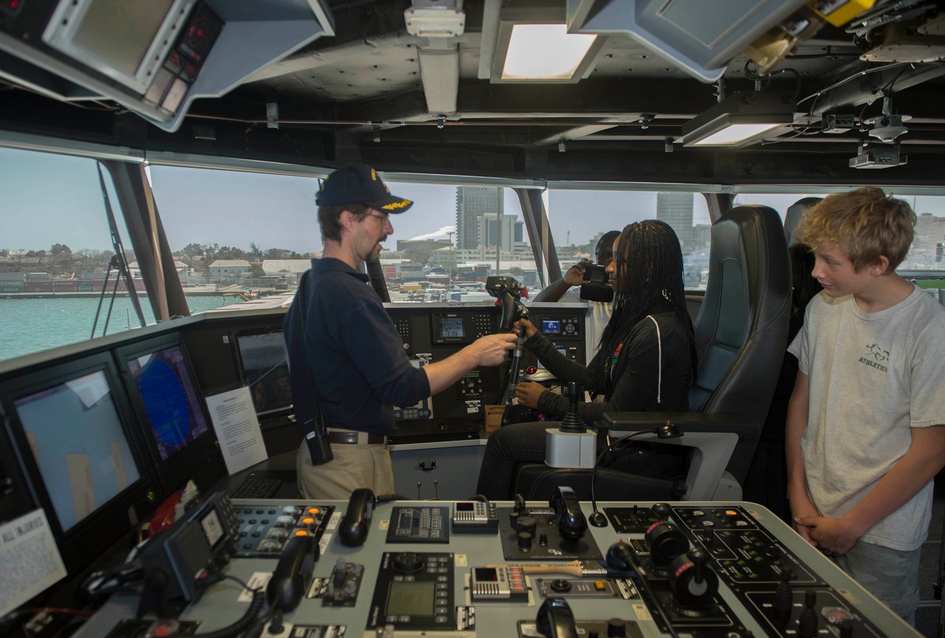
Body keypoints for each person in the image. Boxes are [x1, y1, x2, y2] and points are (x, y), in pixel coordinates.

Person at [284, 164, 517, 499]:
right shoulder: (349, 294)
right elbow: (404, 388)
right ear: (348, 219)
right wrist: (476, 353)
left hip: (331, 452)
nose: (389, 229)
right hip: (346, 462)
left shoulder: (313, 283)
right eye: (380, 218)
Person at [786, 187, 945, 625]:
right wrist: (798, 495)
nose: (817, 272)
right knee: (809, 632)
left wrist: (853, 524)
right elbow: (801, 406)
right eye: (816, 257)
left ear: (878, 264)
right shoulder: (823, 308)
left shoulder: (928, 329)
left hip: (881, 530)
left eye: (831, 262)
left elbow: (932, 450)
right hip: (815, 508)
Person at [475, 220, 697, 499]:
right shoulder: (634, 318)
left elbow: (616, 414)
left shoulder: (658, 331)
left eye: (618, 261)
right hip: (623, 437)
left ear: (648, 269)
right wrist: (535, 339)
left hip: (640, 450)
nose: (609, 269)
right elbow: (591, 378)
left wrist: (545, 400)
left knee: (502, 443)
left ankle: (487, 522)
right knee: (517, 421)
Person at [743, 243, 822, 523]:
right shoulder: (789, 319)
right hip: (772, 424)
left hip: (777, 427)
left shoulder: (799, 323)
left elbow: (783, 384)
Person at [534, 230, 620, 362]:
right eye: (603, 255)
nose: (609, 263)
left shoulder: (635, 298)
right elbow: (537, 307)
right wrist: (565, 282)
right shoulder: (585, 295)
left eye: (614, 256)